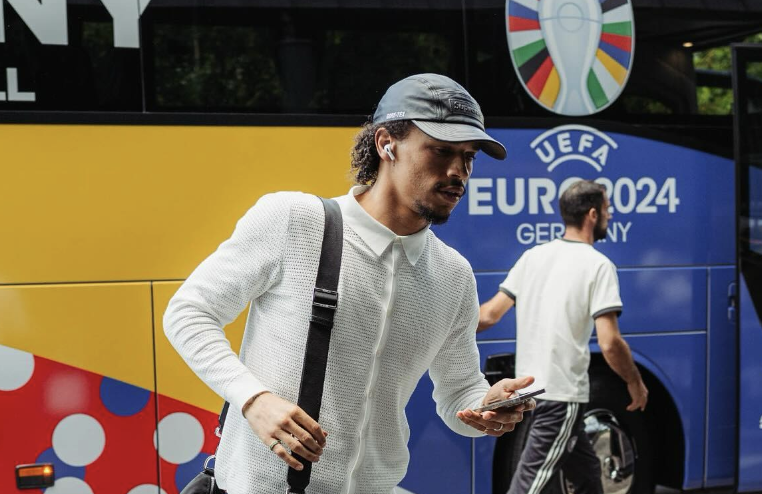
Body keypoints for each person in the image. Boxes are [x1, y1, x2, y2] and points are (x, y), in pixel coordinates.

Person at [163, 73, 536, 494]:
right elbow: (188, 313)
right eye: (440, 151)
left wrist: (485, 407)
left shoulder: (453, 276)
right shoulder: (294, 221)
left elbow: (457, 394)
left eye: (468, 157)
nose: (458, 172)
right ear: (386, 144)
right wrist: (254, 400)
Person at [478, 180, 649, 494]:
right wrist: (634, 381)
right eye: (609, 210)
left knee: (587, 473)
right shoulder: (598, 265)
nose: (611, 216)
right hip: (560, 396)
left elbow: (489, 315)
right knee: (528, 486)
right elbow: (610, 343)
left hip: (531, 392)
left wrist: (440, 329)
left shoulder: (533, 256)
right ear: (593, 214)